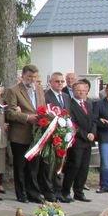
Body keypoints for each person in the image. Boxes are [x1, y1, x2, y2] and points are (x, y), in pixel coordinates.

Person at [4, 64, 47, 203]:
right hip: (20, 134)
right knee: (20, 165)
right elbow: (9, 113)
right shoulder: (13, 90)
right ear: (22, 76)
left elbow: (42, 108)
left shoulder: (39, 89)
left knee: (33, 166)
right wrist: (27, 118)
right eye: (29, 77)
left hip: (36, 134)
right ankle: (21, 193)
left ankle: (33, 193)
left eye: (34, 77)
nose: (32, 80)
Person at [60, 79, 96, 202]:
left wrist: (92, 133)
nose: (81, 93)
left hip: (88, 140)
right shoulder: (70, 105)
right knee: (74, 166)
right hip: (77, 140)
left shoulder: (89, 103)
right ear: (74, 91)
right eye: (79, 90)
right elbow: (72, 123)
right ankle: (65, 191)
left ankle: (79, 192)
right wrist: (86, 135)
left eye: (84, 91)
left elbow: (94, 120)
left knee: (84, 167)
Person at [44, 71, 71, 201]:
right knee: (50, 164)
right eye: (57, 81)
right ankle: (49, 191)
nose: (60, 84)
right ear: (51, 82)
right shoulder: (46, 96)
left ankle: (58, 191)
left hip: (64, 135)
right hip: (51, 134)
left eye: (62, 81)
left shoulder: (66, 97)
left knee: (61, 164)